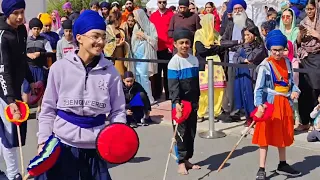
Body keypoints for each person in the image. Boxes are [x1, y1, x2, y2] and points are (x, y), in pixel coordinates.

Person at [35, 10, 126, 179]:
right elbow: (48, 109)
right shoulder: (59, 68)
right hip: (63, 146)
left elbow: (118, 110)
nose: (100, 42)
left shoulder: (110, 72)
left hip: (96, 147)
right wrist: (43, 141)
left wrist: (116, 137)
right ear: (79, 38)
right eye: (95, 36)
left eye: (103, 37)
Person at [252, 30, 301, 180]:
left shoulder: (287, 62)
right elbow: (258, 89)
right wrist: (259, 104)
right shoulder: (265, 66)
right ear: (269, 49)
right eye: (275, 50)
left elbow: (292, 83)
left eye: (281, 50)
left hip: (284, 103)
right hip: (270, 104)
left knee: (282, 134)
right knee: (264, 136)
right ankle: (261, 167)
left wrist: (295, 91)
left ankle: (282, 163)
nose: (278, 53)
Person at [0, 0, 35, 179]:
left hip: (13, 88)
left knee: (9, 133)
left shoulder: (21, 30)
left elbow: (22, 60)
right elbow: (3, 70)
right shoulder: (2, 36)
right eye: (16, 13)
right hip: (3, 90)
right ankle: (14, 174)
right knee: (9, 134)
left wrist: (31, 80)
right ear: (7, 14)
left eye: (22, 11)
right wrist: (10, 100)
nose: (20, 16)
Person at [168, 29, 201, 175]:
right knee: (180, 133)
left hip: (192, 102)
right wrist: (177, 103)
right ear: (175, 44)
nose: (184, 45)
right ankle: (180, 162)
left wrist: (198, 100)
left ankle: (187, 158)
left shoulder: (193, 60)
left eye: (187, 42)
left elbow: (196, 83)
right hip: (180, 103)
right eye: (181, 43)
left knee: (191, 132)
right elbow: (173, 86)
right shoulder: (174, 62)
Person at [220, 0, 252, 122]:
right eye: (235, 9)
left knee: (246, 86)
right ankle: (234, 112)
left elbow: (254, 39)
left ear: (244, 9)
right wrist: (237, 43)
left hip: (246, 60)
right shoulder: (230, 24)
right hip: (232, 59)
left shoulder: (249, 23)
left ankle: (248, 112)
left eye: (240, 9)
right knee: (233, 87)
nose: (237, 11)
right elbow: (223, 42)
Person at [193, 14, 229, 122]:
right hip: (204, 66)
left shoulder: (216, 33)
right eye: (210, 21)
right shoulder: (199, 33)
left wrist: (211, 48)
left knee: (219, 89)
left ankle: (216, 111)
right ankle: (201, 113)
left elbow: (221, 48)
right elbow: (201, 50)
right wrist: (214, 48)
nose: (212, 23)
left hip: (216, 65)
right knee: (204, 91)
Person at [233, 22, 267, 130]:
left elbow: (252, 57)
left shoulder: (260, 47)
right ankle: (248, 118)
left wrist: (246, 53)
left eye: (248, 35)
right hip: (243, 75)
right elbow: (235, 58)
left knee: (253, 96)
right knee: (244, 96)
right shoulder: (241, 46)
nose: (246, 37)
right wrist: (244, 60)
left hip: (254, 75)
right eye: (245, 35)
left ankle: (256, 118)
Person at [296, 0, 320, 132]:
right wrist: (301, 34)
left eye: (311, 9)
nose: (309, 11)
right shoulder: (303, 22)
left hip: (317, 58)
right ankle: (304, 121)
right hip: (305, 58)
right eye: (307, 9)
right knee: (304, 90)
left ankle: (315, 122)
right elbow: (298, 43)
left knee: (315, 90)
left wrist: (316, 34)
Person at [23, 18, 53, 118]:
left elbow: (50, 53)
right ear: (31, 29)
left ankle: (39, 110)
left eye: (38, 29)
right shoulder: (26, 40)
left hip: (40, 68)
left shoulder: (44, 40)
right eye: (34, 28)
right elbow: (20, 53)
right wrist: (28, 55)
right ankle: (25, 109)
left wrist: (40, 53)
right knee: (26, 91)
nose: (36, 31)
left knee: (39, 91)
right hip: (28, 68)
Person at [131, 9, 158, 104]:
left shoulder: (151, 26)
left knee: (144, 76)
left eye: (135, 16)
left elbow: (155, 41)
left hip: (146, 56)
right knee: (138, 76)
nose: (134, 18)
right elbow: (133, 41)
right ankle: (139, 97)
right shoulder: (136, 26)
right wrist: (137, 37)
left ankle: (148, 98)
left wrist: (145, 36)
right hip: (137, 55)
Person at [150, 0, 174, 100]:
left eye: (164, 2)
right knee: (157, 72)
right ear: (157, 3)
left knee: (168, 72)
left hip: (167, 48)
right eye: (160, 2)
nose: (162, 4)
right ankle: (157, 93)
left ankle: (169, 94)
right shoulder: (153, 16)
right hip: (156, 47)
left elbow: (173, 31)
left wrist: (171, 46)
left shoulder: (171, 15)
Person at [104, 10, 130, 78]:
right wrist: (117, 44)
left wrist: (124, 43)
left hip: (121, 58)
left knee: (122, 76)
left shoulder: (121, 30)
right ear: (116, 19)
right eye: (120, 19)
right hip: (112, 58)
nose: (121, 21)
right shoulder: (107, 30)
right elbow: (106, 44)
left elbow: (126, 42)